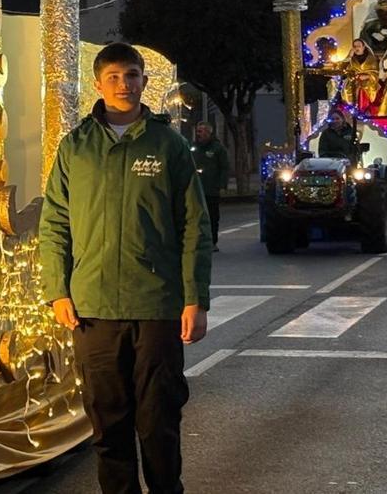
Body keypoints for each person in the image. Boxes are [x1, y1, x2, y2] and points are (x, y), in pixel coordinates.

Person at [40, 42, 212, 494]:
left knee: (158, 421)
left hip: (156, 306)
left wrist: (195, 299)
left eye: (132, 75)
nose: (124, 84)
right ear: (97, 84)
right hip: (93, 309)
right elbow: (54, 222)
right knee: (108, 425)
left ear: (144, 82)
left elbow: (195, 225)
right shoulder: (75, 148)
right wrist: (58, 290)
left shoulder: (167, 145)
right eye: (114, 76)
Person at [191, 122, 230, 251]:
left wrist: (222, 185)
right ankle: (197, 241)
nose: (198, 134)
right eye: (198, 131)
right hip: (194, 189)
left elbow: (224, 168)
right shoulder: (192, 147)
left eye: (201, 131)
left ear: (208, 133)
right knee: (195, 217)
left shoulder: (217, 149)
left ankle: (212, 242)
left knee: (212, 217)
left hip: (211, 189)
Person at [339, 38, 380, 114]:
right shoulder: (351, 59)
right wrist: (349, 56)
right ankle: (352, 109)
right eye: (355, 46)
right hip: (353, 81)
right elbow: (341, 68)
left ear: (363, 47)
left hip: (369, 81)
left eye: (359, 46)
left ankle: (364, 110)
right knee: (348, 89)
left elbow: (376, 72)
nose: (357, 48)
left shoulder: (372, 59)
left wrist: (368, 76)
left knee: (364, 89)